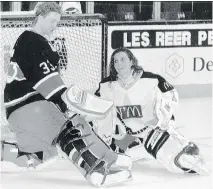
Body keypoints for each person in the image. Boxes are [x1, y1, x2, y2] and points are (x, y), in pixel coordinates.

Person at [2, 2, 132, 187]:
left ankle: (107, 156)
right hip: (29, 107)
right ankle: (94, 170)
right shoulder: (33, 41)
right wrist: (67, 104)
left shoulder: (28, 40)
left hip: (20, 112)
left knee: (40, 154)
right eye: (53, 20)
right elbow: (49, 85)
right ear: (40, 17)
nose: (55, 25)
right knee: (70, 130)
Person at [94, 47, 208, 175]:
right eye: (115, 61)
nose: (119, 64)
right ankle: (141, 148)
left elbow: (171, 95)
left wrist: (163, 118)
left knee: (180, 158)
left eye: (122, 59)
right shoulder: (106, 86)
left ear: (132, 61)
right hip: (127, 136)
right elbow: (95, 106)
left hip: (153, 130)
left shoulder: (152, 80)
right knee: (119, 158)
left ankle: (180, 147)